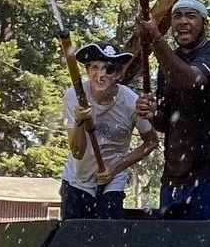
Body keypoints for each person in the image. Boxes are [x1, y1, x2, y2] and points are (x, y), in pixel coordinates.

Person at [135, 0, 210, 220]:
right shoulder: (168, 64)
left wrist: (154, 37)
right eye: (177, 16)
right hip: (175, 177)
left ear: (205, 23)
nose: (183, 21)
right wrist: (153, 114)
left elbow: (191, 79)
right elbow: (166, 123)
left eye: (191, 16)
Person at [61, 44, 159, 219]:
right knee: (73, 236)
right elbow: (77, 151)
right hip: (78, 178)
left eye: (109, 69)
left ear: (118, 75)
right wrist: (79, 120)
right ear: (87, 70)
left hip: (112, 180)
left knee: (107, 233)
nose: (101, 75)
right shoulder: (73, 96)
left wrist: (115, 168)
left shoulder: (131, 102)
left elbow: (151, 142)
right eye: (95, 68)